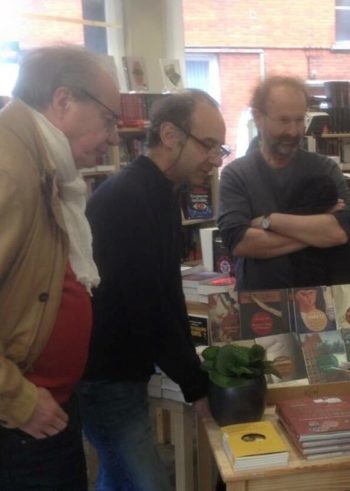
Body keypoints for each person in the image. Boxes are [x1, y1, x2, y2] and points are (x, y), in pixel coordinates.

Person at [77, 90, 225, 490]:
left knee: (118, 476)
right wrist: (195, 385)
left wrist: (193, 372)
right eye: (208, 146)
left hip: (123, 372)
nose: (215, 159)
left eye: (219, 148)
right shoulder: (130, 197)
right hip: (105, 376)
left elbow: (167, 288)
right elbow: (148, 305)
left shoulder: (160, 193)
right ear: (170, 135)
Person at [0, 45, 120, 490]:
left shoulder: (44, 164)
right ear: (64, 100)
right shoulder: (10, 169)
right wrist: (17, 399)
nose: (113, 137)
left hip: (43, 411)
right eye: (108, 119)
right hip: (18, 423)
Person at [218, 75, 350, 290]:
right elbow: (240, 242)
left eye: (299, 120)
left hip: (322, 302)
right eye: (284, 120)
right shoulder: (236, 174)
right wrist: (316, 233)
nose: (294, 131)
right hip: (262, 306)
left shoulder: (324, 168)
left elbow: (342, 231)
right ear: (258, 117)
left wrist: (270, 221)